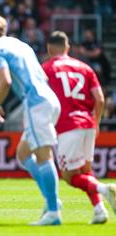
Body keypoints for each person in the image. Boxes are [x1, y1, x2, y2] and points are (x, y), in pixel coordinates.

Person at [0, 13, 62, 225]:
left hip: (35, 102)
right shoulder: (21, 44)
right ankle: (51, 200)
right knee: (24, 154)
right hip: (48, 97)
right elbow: (42, 74)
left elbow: (5, 80)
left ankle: (53, 210)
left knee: (43, 155)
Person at [42, 31, 116, 224]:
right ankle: (99, 210)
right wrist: (96, 122)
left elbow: (41, 99)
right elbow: (100, 99)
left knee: (68, 176)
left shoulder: (47, 69)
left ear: (49, 48)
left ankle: (104, 189)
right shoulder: (85, 67)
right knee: (85, 171)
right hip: (88, 124)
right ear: (68, 48)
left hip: (68, 126)